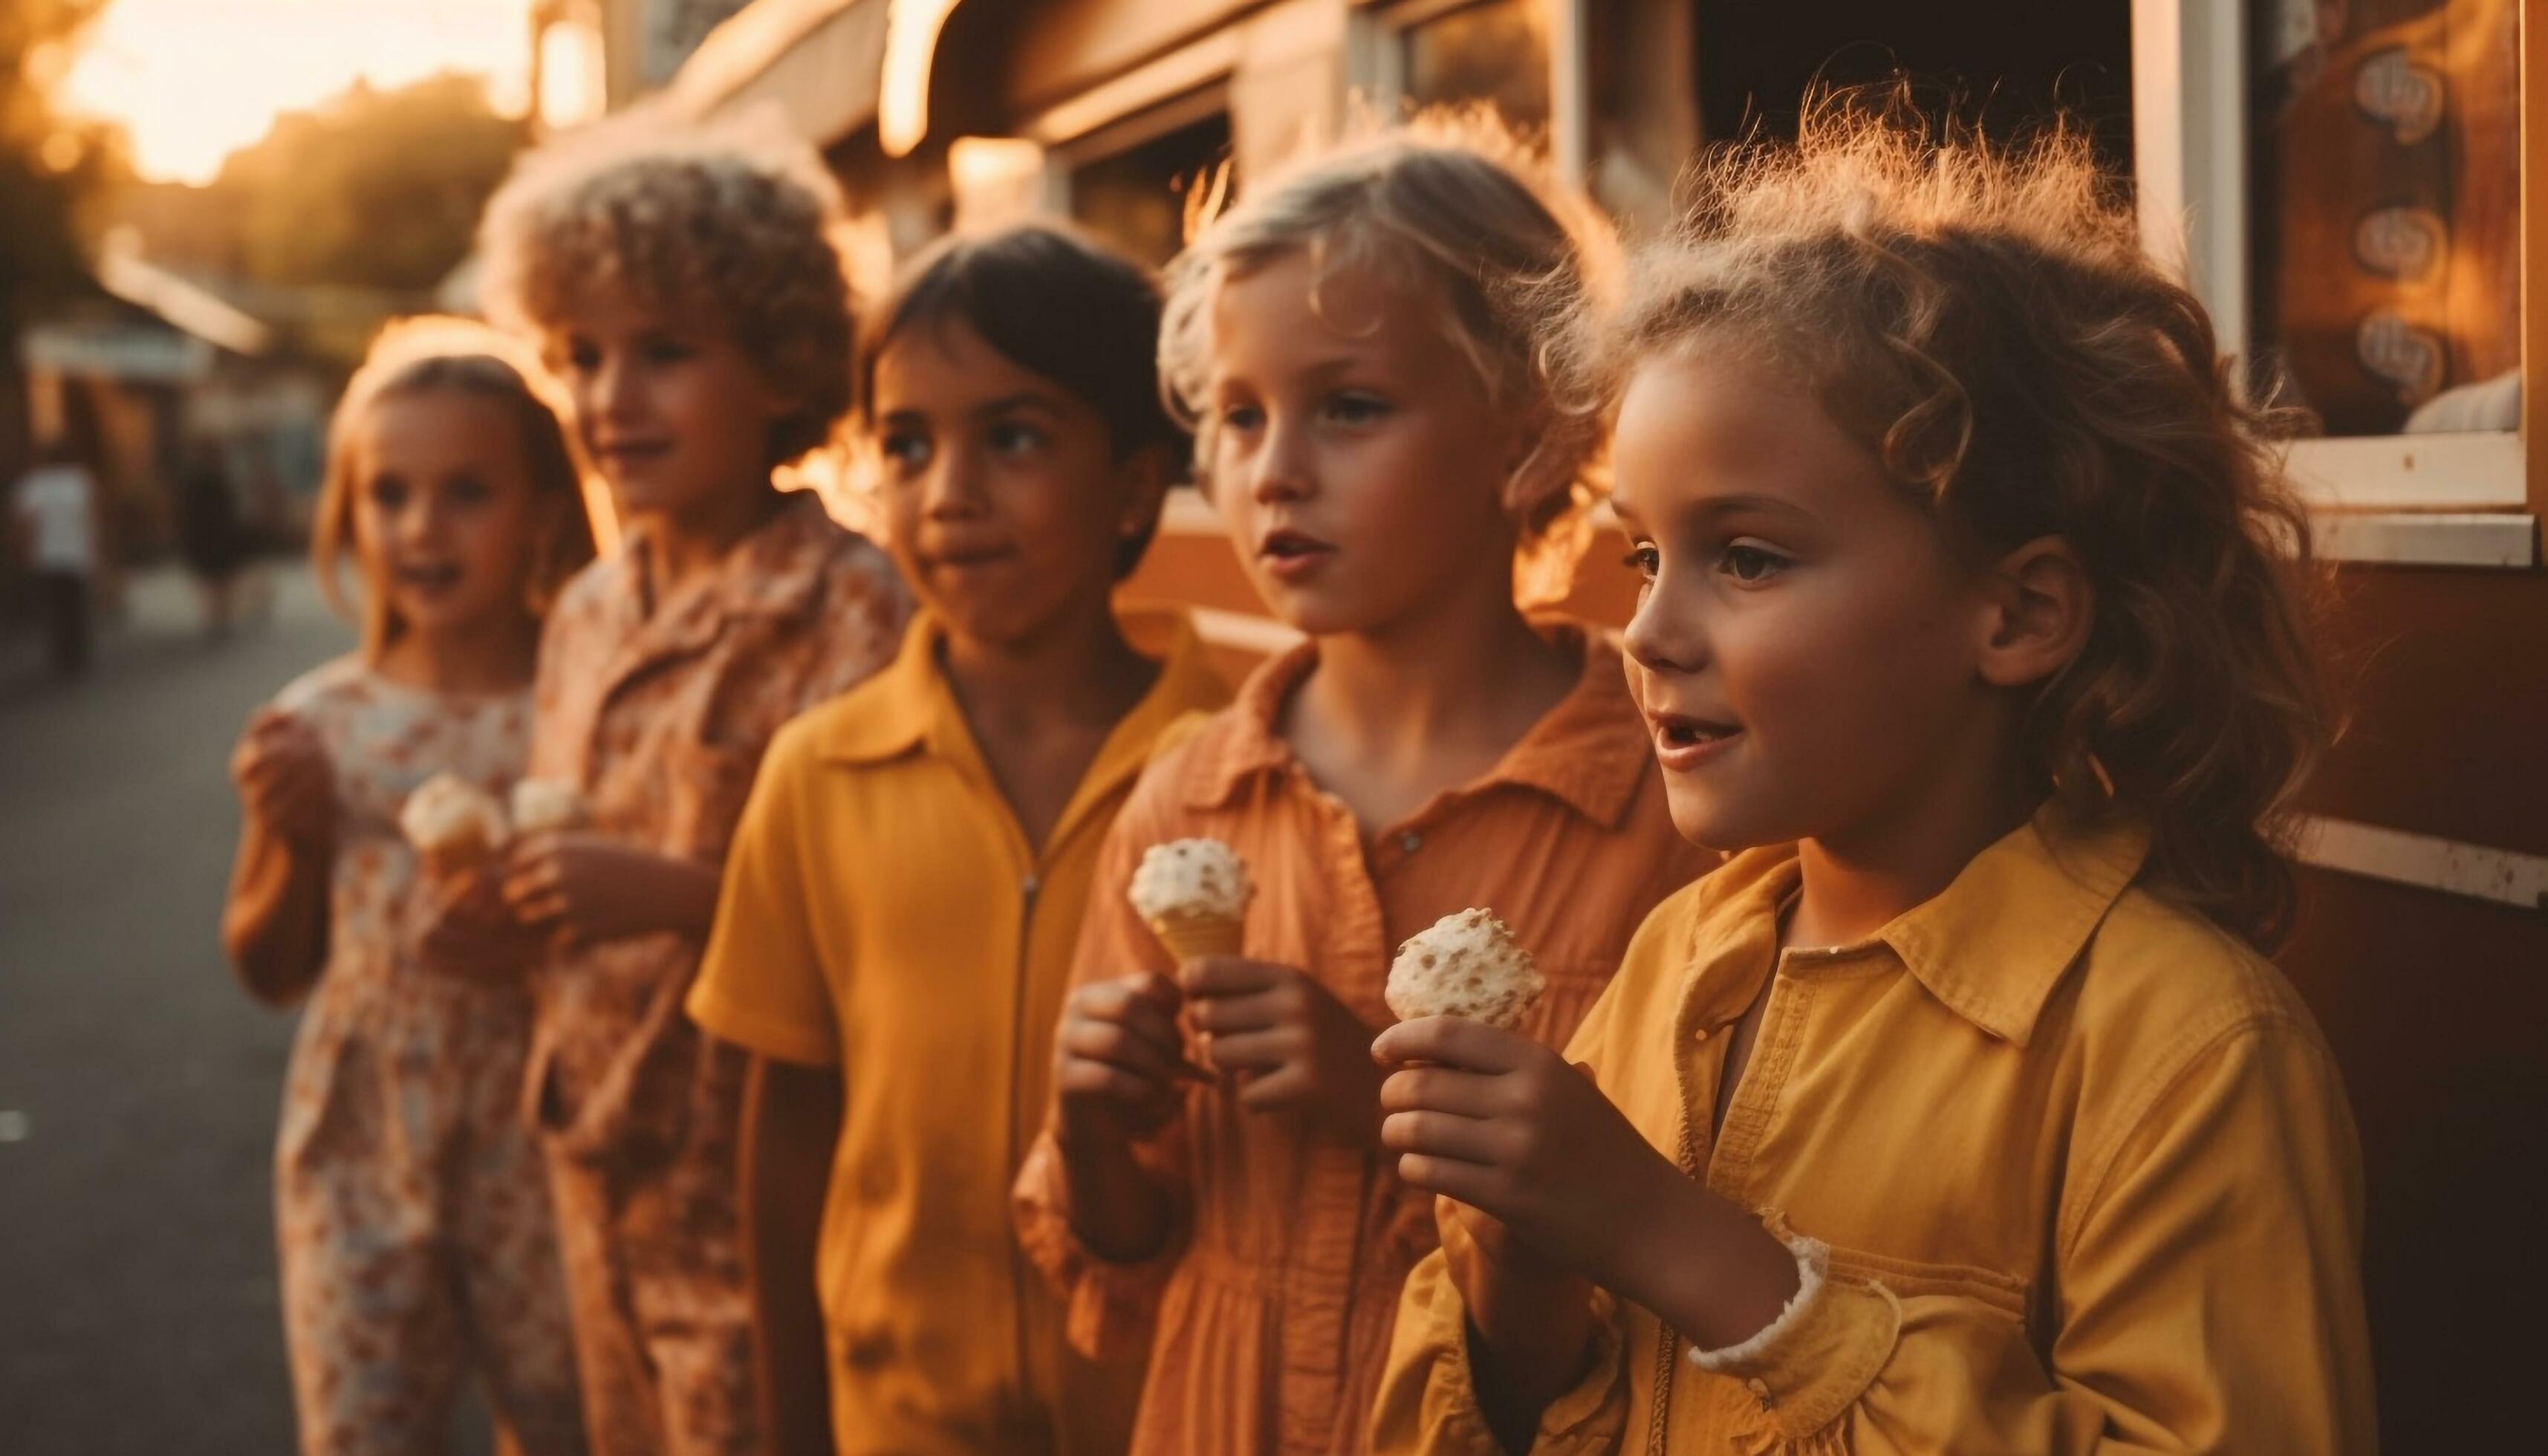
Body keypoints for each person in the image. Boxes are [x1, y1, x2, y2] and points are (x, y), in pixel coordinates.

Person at [1368, 102, 2376, 1454]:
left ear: (2017, 617)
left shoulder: (2182, 1049)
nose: (1651, 635)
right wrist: (1523, 1286)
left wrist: (1690, 1251)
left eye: (1748, 558)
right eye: (1644, 558)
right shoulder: (1680, 963)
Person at [1011, 120, 1717, 1455]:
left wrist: (1376, 1108)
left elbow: (1687, 1275)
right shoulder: (1183, 804)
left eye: (1348, 406)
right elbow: (1120, 1264)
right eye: (1236, 416)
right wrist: (1094, 1132)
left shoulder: (1675, 807)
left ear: (1530, 428)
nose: (1271, 470)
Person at [685, 224, 1226, 1456]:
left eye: (1016, 437)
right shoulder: (817, 774)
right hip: (898, 1421)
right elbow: (787, 1140)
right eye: (907, 445)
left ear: (1138, 484)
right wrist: (792, 1429)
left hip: (1177, 1411)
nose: (950, 493)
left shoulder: (1242, 770)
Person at [474, 118, 912, 1456]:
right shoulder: (589, 609)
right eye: (581, 358)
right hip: (590, 1155)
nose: (612, 399)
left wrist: (664, 893)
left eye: (665, 352)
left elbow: (881, 915)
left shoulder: (853, 605)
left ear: (782, 363)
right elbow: (569, 865)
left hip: (751, 1189)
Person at [220, 317, 599, 1455]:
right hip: (363, 1139)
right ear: (349, 513)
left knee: (572, 1421)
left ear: (543, 508)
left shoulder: (585, 710)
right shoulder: (318, 725)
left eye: (467, 492)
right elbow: (267, 967)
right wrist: (290, 838)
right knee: (366, 1431)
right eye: (389, 495)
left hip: (550, 1126)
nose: (421, 528)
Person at [12, 438, 100, 677]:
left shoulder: (33, 485)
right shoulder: (79, 482)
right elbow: (89, 519)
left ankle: (60, 656)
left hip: (46, 555)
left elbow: (28, 524)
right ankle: (77, 654)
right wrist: (93, 549)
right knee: (76, 605)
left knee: (54, 606)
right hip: (75, 552)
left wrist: (27, 551)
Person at [176, 438, 253, 639]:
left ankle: (216, 617)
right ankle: (218, 617)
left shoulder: (199, 482)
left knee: (215, 580)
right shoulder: (210, 481)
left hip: (209, 537)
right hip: (214, 536)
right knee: (218, 580)